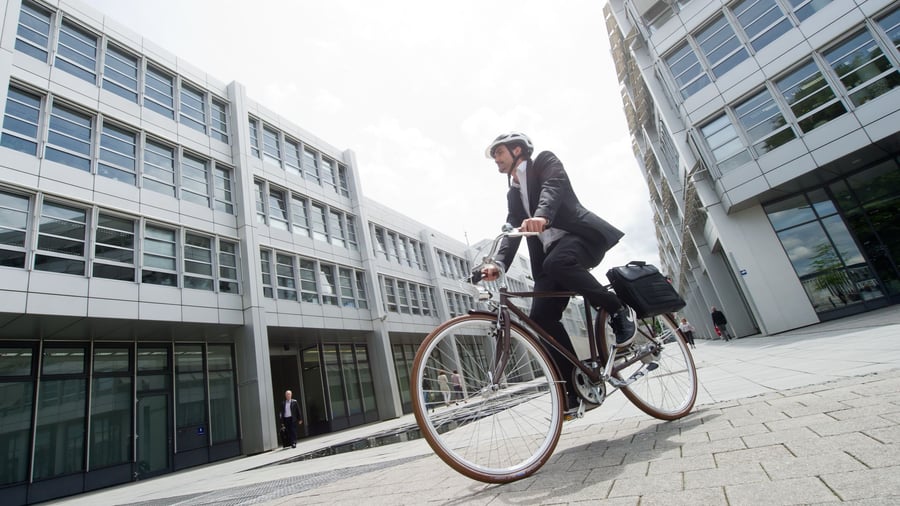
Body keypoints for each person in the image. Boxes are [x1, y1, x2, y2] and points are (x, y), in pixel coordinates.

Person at [479, 132, 635, 415]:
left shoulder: (544, 162)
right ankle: (577, 388)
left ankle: (618, 309)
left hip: (580, 239)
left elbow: (553, 188)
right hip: (551, 257)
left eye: (499, 153)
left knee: (557, 263)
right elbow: (512, 228)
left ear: (517, 150)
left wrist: (542, 215)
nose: (496, 160)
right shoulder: (513, 193)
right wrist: (497, 264)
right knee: (541, 318)